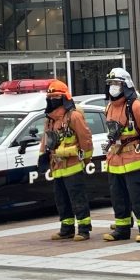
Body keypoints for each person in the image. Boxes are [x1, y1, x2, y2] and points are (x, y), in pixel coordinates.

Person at [102, 68, 140, 243]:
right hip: (115, 159)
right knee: (118, 198)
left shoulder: (137, 106)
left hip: (134, 158)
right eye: (110, 84)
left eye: (116, 84)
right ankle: (122, 229)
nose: (113, 87)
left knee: (139, 195)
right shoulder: (109, 106)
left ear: (125, 85)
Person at [39, 79, 94, 241]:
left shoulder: (74, 116)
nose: (51, 100)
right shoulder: (49, 119)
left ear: (63, 98)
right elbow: (45, 140)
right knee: (61, 200)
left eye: (55, 97)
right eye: (50, 97)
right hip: (57, 167)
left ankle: (84, 229)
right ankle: (66, 228)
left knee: (78, 198)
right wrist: (42, 156)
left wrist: (86, 159)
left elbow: (86, 139)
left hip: (73, 166)